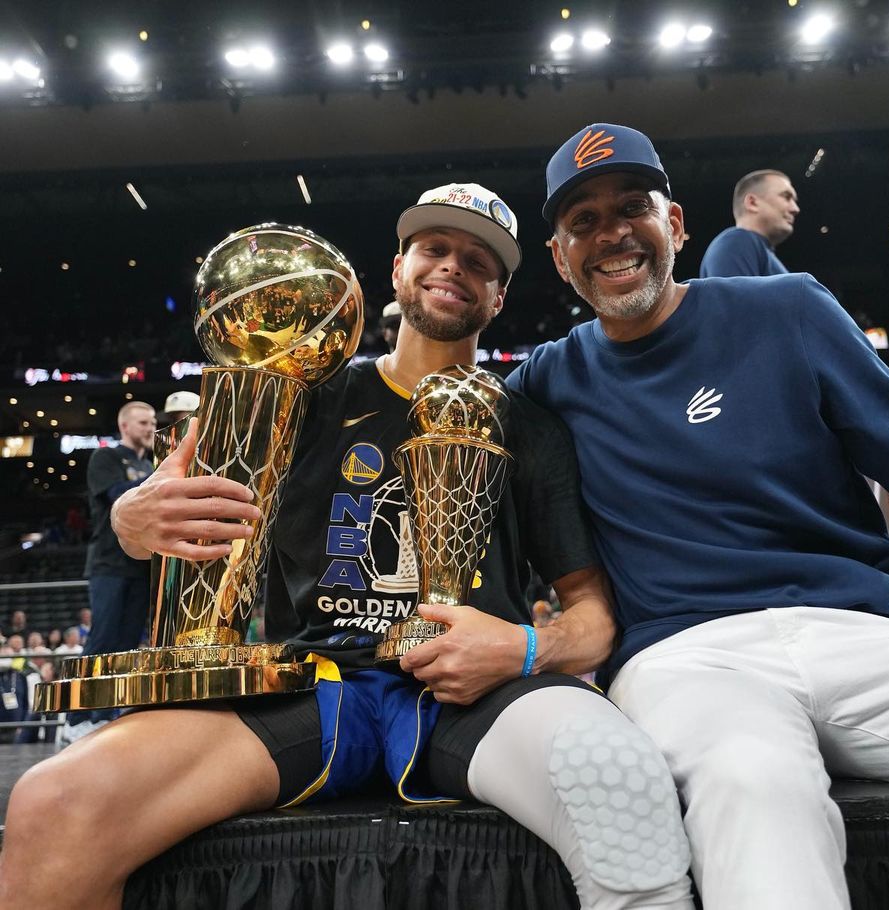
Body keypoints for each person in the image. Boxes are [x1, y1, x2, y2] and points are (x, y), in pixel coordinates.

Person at [0, 183, 692, 910]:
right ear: (397, 270)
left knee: (612, 773)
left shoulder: (529, 425)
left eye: (478, 262)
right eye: (435, 249)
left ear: (498, 296)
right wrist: (131, 523)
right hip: (316, 686)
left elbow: (593, 619)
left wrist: (522, 648)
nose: (453, 266)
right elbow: (177, 511)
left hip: (474, 693)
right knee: (56, 804)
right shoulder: (299, 396)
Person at [510, 121, 889, 910]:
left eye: (631, 207)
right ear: (560, 257)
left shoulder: (787, 308)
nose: (611, 234)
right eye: (582, 222)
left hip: (866, 638)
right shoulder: (547, 380)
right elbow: (420, 430)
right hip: (688, 657)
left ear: (674, 224)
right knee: (755, 787)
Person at [70, 400, 156, 738]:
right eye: (143, 422)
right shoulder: (105, 457)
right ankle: (77, 719)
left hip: (141, 565)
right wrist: (160, 487)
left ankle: (108, 715)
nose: (151, 427)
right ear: (124, 426)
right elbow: (121, 495)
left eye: (152, 422)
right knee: (102, 638)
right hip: (108, 562)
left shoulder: (150, 463)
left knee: (128, 644)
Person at [699, 169, 798, 277]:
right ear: (752, 203)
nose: (795, 209)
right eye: (786, 197)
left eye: (794, 201)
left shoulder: (756, 250)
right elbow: (733, 294)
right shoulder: (737, 242)